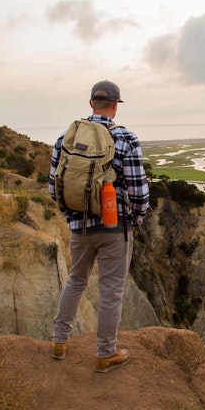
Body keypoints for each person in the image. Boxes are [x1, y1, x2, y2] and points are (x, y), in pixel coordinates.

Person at [49, 80, 150, 373]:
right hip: (113, 226)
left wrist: (72, 217)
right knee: (111, 291)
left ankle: (59, 342)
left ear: (91, 103)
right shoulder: (126, 139)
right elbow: (138, 191)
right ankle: (105, 354)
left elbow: (54, 188)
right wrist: (135, 221)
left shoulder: (65, 138)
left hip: (79, 226)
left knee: (75, 280)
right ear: (116, 105)